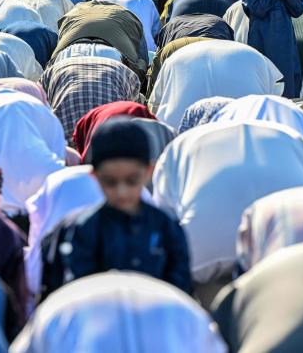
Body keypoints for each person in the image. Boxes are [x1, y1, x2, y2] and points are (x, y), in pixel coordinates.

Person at [40, 118, 192, 301]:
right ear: (94, 177)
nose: (122, 192)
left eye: (132, 180)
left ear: (149, 172)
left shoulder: (166, 228)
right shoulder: (80, 229)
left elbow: (181, 292)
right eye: (110, 182)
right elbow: (65, 295)